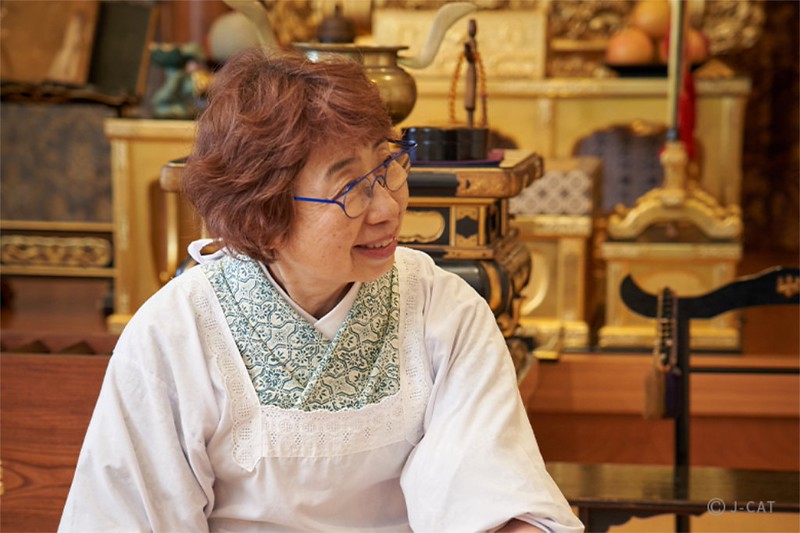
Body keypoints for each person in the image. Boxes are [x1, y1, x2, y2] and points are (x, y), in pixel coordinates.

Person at [59, 48, 584, 533]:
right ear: (262, 212)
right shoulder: (175, 333)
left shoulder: (440, 307)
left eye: (389, 168)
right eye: (351, 188)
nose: (387, 208)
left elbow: (488, 491)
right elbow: (129, 517)